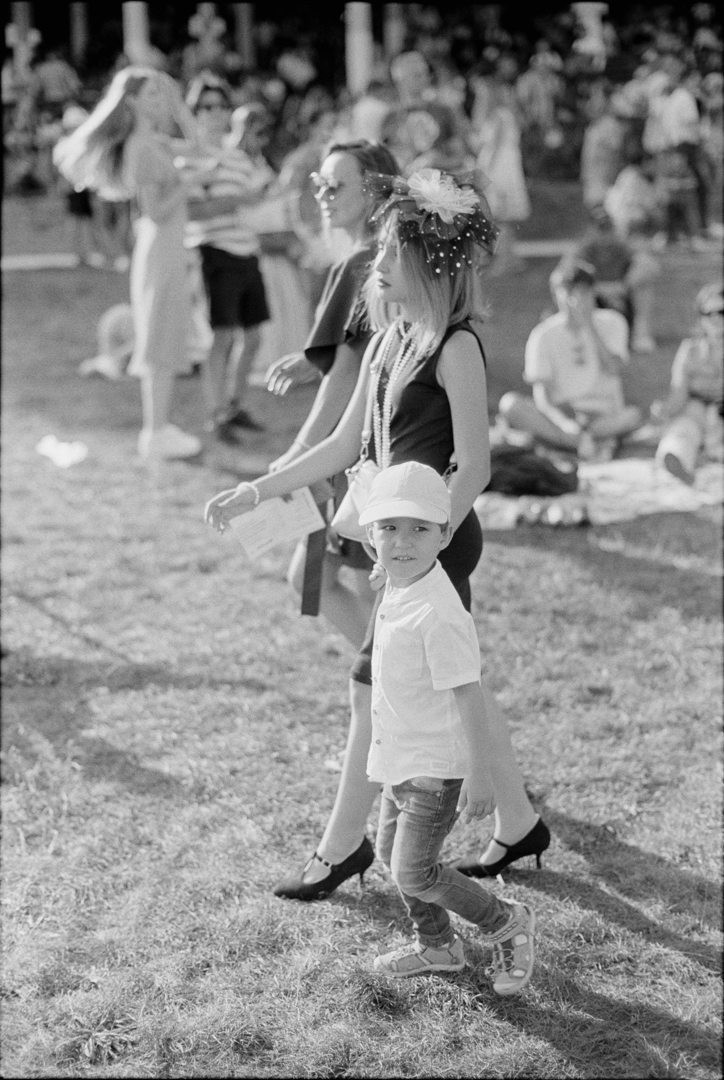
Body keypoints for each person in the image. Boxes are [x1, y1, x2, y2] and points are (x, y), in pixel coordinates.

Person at [205, 167, 549, 901]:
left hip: (433, 548)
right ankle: (518, 822)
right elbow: (342, 442)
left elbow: (476, 465)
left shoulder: (455, 347)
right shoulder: (390, 339)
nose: (378, 260)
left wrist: (423, 544)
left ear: (429, 264)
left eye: (393, 250)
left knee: (372, 688)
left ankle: (340, 849)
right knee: (445, 681)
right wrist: (260, 488)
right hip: (399, 547)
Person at [356, 461, 536, 992]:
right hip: (399, 755)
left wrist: (480, 774)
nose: (402, 541)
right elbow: (393, 568)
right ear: (370, 536)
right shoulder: (401, 583)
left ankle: (505, 921)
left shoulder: (439, 613)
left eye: (420, 528)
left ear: (445, 535)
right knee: (393, 857)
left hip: (434, 767)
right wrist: (384, 575)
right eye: (389, 527)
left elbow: (469, 696)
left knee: (415, 871)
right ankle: (438, 946)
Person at [264, 141, 400, 642]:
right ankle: (387, 674)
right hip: (387, 440)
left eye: (336, 185)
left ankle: (386, 674)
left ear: (374, 192)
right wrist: (314, 359)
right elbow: (362, 351)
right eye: (319, 184)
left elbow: (345, 374)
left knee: (318, 579)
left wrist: (300, 453)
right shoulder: (391, 257)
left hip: (357, 450)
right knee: (363, 583)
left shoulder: (362, 263)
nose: (323, 195)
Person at [54, 67, 216, 460]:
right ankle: (155, 432)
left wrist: (180, 108)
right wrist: (190, 182)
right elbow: (156, 211)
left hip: (167, 248)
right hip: (160, 247)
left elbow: (200, 149)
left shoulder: (151, 140)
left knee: (168, 336)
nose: (161, 101)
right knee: (159, 340)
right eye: (154, 95)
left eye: (163, 93)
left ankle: (159, 427)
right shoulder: (142, 147)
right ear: (133, 101)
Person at [183, 75, 274, 441]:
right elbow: (190, 212)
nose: (216, 113)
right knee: (221, 338)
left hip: (247, 250)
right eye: (207, 106)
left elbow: (259, 198)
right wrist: (238, 201)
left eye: (222, 105)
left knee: (253, 337)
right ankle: (216, 413)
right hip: (215, 253)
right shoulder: (191, 157)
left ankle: (234, 405)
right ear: (194, 111)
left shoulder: (238, 155)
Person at [499, 258, 643, 462]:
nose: (576, 299)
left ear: (593, 293)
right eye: (568, 292)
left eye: (583, 292)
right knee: (510, 405)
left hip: (604, 415)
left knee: (633, 416)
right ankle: (581, 442)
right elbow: (542, 395)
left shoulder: (613, 322)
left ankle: (564, 442)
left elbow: (614, 368)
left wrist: (589, 326)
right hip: (562, 414)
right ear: (556, 295)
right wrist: (566, 422)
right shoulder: (542, 335)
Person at [655, 281, 723, 484]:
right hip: (697, 407)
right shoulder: (690, 350)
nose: (716, 319)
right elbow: (678, 394)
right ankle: (678, 463)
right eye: (708, 313)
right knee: (682, 430)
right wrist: (664, 411)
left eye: (722, 312)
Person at [572, 208, 660, 354]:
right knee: (578, 290)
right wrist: (600, 289)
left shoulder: (623, 246)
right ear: (591, 230)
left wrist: (623, 286)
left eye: (608, 228)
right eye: (600, 229)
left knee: (644, 284)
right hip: (594, 299)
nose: (605, 234)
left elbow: (650, 266)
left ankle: (641, 334)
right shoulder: (584, 249)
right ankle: (584, 335)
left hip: (622, 297)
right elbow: (565, 275)